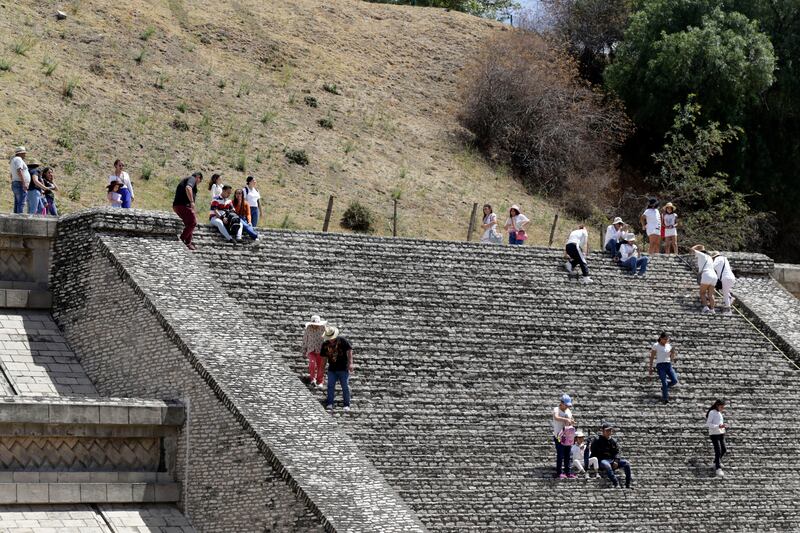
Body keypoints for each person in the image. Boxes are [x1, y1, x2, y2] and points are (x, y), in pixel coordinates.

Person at [321, 326, 353, 413]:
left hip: (343, 368)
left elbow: (349, 350)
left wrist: (350, 363)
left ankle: (346, 404)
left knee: (345, 387)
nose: (331, 340)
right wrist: (322, 370)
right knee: (330, 386)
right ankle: (330, 403)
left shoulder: (342, 340)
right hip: (332, 369)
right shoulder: (325, 345)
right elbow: (323, 359)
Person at [591, 422, 632, 489]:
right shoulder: (597, 440)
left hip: (612, 460)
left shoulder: (613, 441)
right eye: (607, 430)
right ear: (603, 431)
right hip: (601, 460)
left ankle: (627, 484)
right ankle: (616, 483)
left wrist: (616, 460)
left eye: (610, 430)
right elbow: (593, 451)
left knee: (626, 463)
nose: (609, 432)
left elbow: (617, 452)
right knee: (607, 465)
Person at [172, 171, 203, 250]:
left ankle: (188, 243)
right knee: (193, 222)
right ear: (198, 177)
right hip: (183, 205)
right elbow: (188, 188)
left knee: (189, 224)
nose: (199, 182)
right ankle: (181, 241)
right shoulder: (192, 178)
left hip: (178, 206)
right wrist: (192, 202)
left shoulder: (187, 179)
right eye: (200, 180)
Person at [648, 332, 679, 404]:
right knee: (664, 382)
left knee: (675, 380)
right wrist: (650, 367)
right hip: (660, 365)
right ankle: (665, 398)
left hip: (668, 364)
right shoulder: (656, 345)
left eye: (667, 339)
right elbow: (652, 357)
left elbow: (671, 358)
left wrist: (673, 353)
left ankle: (664, 388)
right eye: (665, 339)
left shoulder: (668, 345)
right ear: (661, 338)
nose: (666, 341)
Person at [552, 394, 575, 479]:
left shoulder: (568, 411)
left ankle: (568, 472)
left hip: (567, 436)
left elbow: (572, 419)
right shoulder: (556, 409)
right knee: (560, 454)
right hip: (559, 436)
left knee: (567, 455)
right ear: (561, 403)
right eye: (566, 405)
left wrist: (572, 421)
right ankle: (559, 472)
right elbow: (556, 417)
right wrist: (565, 419)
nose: (567, 407)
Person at [301, 315, 328, 389]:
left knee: (320, 366)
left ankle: (320, 381)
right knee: (312, 363)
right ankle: (312, 379)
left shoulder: (323, 328)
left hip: (320, 349)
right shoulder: (308, 328)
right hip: (311, 349)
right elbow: (305, 339)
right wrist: (304, 350)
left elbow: (326, 339)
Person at [691, 244, 718, 313]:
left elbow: (692, 249)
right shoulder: (710, 258)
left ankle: (706, 307)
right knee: (711, 294)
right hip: (714, 276)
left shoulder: (701, 255)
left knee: (702, 293)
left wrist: (697, 246)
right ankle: (712, 309)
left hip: (707, 274)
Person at [706, 399, 728, 478]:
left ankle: (716, 462)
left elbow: (719, 423)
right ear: (717, 405)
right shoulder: (712, 412)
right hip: (714, 434)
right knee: (718, 450)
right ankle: (718, 468)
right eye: (721, 407)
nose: (722, 408)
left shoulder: (719, 413)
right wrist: (718, 426)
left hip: (721, 433)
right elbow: (708, 424)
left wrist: (723, 426)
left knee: (724, 449)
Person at [9, 146, 30, 214]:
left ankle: (15, 219)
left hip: (16, 182)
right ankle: (20, 220)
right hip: (20, 183)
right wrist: (24, 183)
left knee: (17, 203)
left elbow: (11, 174)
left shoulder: (13, 160)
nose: (25, 154)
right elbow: (19, 170)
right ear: (20, 153)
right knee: (21, 203)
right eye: (24, 153)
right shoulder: (18, 159)